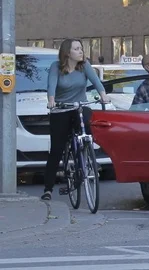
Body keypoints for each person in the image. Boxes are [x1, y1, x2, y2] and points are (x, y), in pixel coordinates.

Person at [41, 39, 110, 201]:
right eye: (77, 49)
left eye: (81, 49)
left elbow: (96, 81)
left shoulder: (84, 65)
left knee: (87, 122)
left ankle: (86, 153)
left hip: (79, 105)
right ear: (67, 53)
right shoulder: (56, 67)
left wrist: (103, 96)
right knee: (57, 149)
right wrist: (51, 99)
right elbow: (51, 84)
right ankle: (48, 188)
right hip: (61, 108)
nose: (81, 52)